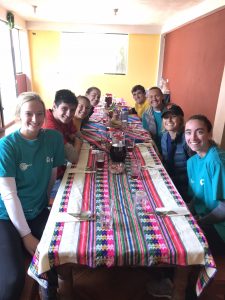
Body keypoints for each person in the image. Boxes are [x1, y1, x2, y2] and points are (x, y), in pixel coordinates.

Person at [0, 92, 65, 300]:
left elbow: (52, 176)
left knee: (58, 254)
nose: (35, 119)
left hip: (37, 211)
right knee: (12, 279)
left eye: (39, 113)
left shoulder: (53, 138)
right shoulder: (7, 146)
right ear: (18, 114)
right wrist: (26, 236)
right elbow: (9, 195)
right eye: (29, 114)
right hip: (6, 217)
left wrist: (46, 205)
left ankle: (49, 292)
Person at [185, 114, 225, 255]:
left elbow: (224, 209)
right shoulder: (192, 162)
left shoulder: (216, 161)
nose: (193, 138)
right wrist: (186, 211)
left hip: (220, 228)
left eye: (200, 132)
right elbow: (198, 195)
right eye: (188, 132)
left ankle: (180, 277)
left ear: (209, 134)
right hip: (206, 217)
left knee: (183, 239)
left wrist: (199, 222)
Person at [43, 89, 82, 179]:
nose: (68, 114)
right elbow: (73, 157)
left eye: (72, 110)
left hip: (63, 166)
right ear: (54, 106)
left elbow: (79, 135)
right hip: (53, 177)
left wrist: (76, 140)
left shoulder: (64, 118)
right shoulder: (50, 127)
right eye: (64, 108)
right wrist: (77, 142)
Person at [161, 103, 192, 202]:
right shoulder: (165, 137)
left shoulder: (188, 140)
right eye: (166, 117)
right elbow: (166, 161)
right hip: (170, 181)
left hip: (186, 187)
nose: (169, 120)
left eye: (173, 116)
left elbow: (195, 170)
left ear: (181, 119)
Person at [142, 86, 165, 153]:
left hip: (169, 149)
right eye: (151, 97)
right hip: (155, 147)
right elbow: (147, 134)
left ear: (162, 96)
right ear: (148, 99)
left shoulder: (170, 112)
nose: (154, 99)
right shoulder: (146, 114)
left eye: (157, 96)